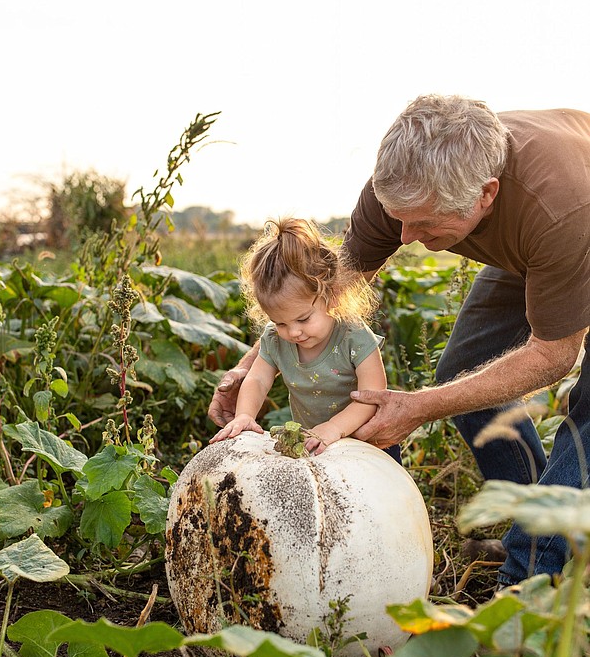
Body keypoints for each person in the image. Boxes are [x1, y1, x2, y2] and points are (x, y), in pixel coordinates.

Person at [209, 94, 590, 587]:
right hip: (539, 251)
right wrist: (246, 368)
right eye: (398, 216)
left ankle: (529, 581)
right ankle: (534, 521)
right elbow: (324, 294)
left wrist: (419, 406)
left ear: (486, 194)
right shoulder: (402, 186)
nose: (405, 235)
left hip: (574, 227)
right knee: (463, 371)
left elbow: (554, 356)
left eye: (426, 222)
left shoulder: (559, 209)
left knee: (588, 418)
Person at [209, 218, 389, 456]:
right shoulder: (275, 339)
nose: (293, 332)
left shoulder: (354, 337)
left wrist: (333, 428)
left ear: (332, 295)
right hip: (314, 445)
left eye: (303, 319)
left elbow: (372, 397)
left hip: (368, 446)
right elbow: (257, 380)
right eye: (280, 322)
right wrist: (244, 416)